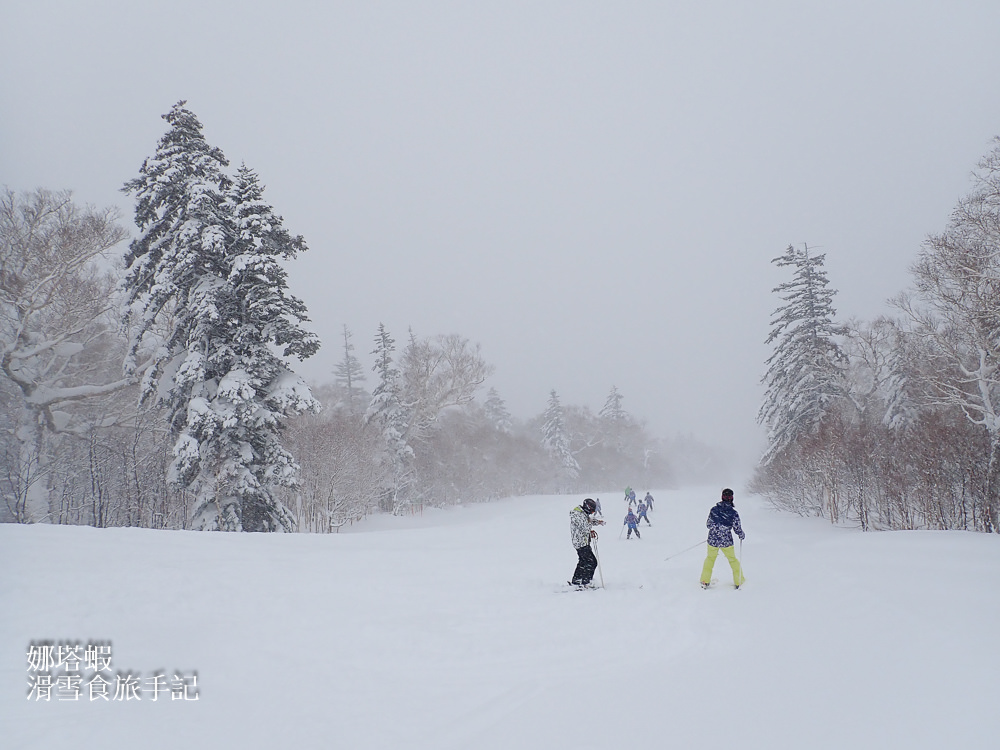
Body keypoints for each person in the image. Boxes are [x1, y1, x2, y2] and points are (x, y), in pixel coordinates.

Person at [699, 488, 746, 589]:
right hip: (726, 541)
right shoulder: (733, 513)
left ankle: (704, 580)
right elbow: (737, 528)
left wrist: (717, 529)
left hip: (713, 539)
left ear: (722, 497)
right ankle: (739, 581)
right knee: (733, 560)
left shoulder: (714, 510)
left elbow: (708, 524)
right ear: (732, 498)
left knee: (710, 559)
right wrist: (741, 534)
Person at [570, 498, 605, 587]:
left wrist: (597, 522)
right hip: (580, 542)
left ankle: (576, 580)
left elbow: (587, 522)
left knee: (583, 561)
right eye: (592, 511)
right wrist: (590, 531)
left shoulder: (582, 513)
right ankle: (586, 582)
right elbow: (585, 527)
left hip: (582, 541)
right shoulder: (578, 515)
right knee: (592, 562)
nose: (592, 513)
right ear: (588, 508)